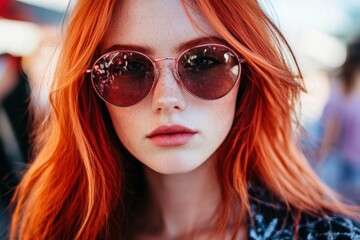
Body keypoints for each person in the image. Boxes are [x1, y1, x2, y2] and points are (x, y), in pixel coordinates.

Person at [10, 0, 360, 239]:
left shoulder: (328, 234)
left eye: (205, 61)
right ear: (90, 89)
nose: (167, 100)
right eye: (128, 67)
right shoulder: (56, 231)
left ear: (249, 77)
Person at [317, 37, 360, 204]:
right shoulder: (341, 85)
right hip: (344, 160)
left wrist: (323, 153)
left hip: (343, 160)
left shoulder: (341, 84)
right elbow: (332, 125)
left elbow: (331, 125)